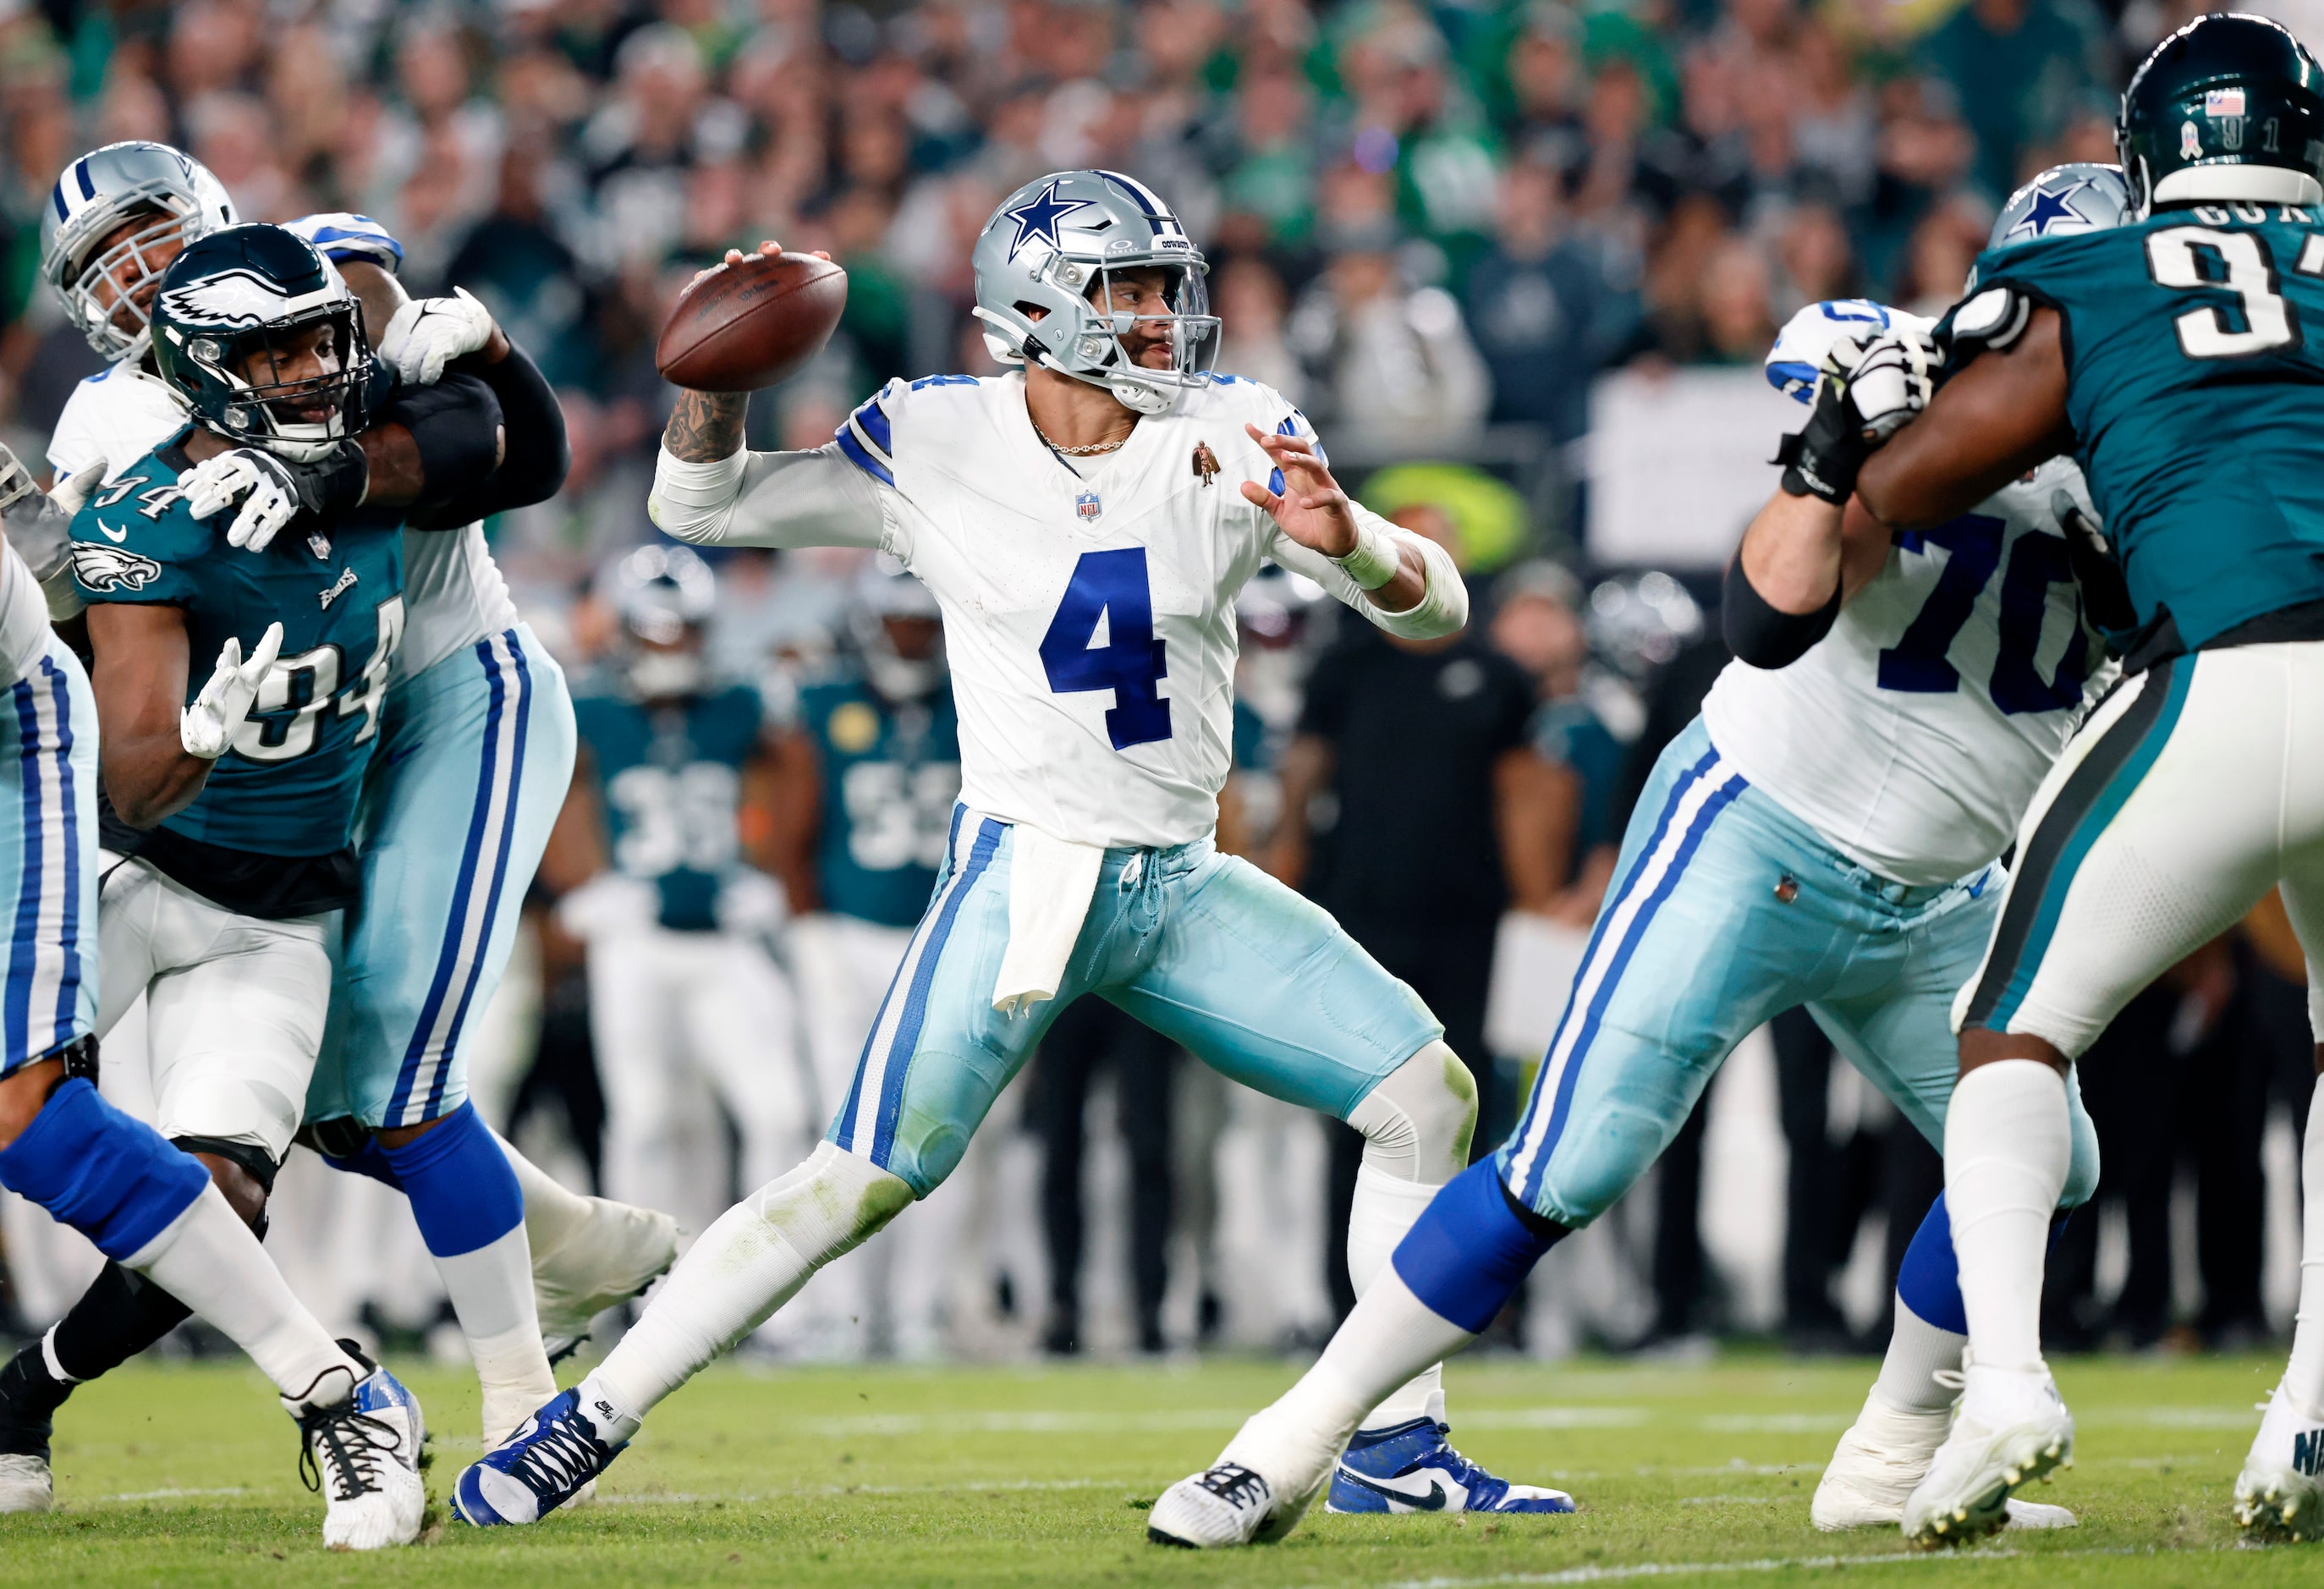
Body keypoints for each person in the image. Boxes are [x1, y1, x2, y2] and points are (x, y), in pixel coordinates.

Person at [456, 168, 1544, 1528]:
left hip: (1181, 877)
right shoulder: (934, 436)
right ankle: (591, 1414)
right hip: (1027, 874)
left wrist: (1354, 540)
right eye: (1129, 292)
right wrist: (711, 387)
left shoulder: (1233, 424)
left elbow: (1433, 612)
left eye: (1162, 288)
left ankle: (1392, 1440)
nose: (1161, 317)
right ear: (1040, 311)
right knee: (859, 1174)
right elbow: (704, 507)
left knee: (1425, 1096)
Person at [1145, 170, 2122, 1549]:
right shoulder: (1909, 367)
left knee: (2047, 1167)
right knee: (1566, 1163)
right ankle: (1289, 1440)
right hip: (1757, 826)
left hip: (1939, 890)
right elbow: (1766, 608)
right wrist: (1836, 445)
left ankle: (1891, 1453)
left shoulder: (2160, 460)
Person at [10, 146, 676, 1462]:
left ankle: (518, 1397)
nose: (134, 274)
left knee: (400, 1073)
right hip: (285, 759)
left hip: (447, 689)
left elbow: (504, 447)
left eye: (147, 235)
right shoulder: (103, 420)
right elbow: (109, 623)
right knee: (344, 1104)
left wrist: (333, 467)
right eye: (102, 265)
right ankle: (574, 1243)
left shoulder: (316, 283)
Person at [1842, 14, 2324, 1544]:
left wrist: (1838, 439)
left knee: (2011, 1030)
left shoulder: (2096, 266)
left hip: (2226, 665)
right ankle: (2309, 1409)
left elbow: (1911, 477)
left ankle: (2003, 1381)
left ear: (2148, 154)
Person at [47, 223, 483, 1545]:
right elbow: (129, 782)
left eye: (319, 339)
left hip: (279, 912)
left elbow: (524, 446)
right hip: (129, 878)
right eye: (271, 350)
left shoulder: (373, 470)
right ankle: (339, 1395)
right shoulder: (143, 520)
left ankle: (25, 1401)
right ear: (201, 368)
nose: (307, 370)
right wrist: (192, 739)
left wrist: (495, 351)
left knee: (223, 1198)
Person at [552, 545, 811, 1240]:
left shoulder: (739, 705)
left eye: (684, 631)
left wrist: (772, 873)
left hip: (725, 938)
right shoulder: (589, 708)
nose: (672, 647)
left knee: (780, 1111)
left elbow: (796, 778)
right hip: (634, 941)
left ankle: (775, 1297)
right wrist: (579, 885)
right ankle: (648, 1295)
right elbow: (541, 798)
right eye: (656, 632)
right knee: (645, 1119)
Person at [774, 558, 967, 1360]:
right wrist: (804, 923)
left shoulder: (976, 701)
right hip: (845, 933)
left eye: (923, 625)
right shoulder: (823, 704)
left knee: (944, 1131)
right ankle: (838, 1312)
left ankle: (920, 1310)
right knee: (840, 1130)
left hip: (944, 935)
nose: (911, 640)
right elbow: (790, 827)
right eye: (898, 624)